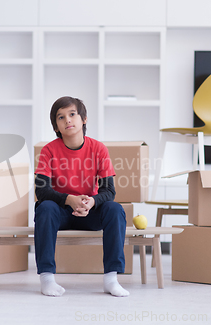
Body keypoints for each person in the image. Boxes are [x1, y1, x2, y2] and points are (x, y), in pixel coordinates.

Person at [34, 96, 129, 297]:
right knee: (44, 207)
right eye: (61, 117)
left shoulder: (98, 149)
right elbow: (41, 191)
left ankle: (111, 279)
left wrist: (92, 201)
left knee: (115, 209)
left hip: (89, 211)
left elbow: (109, 191)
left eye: (72, 114)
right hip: (59, 212)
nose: (67, 120)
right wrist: (69, 199)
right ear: (56, 126)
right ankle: (47, 279)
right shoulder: (48, 150)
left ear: (83, 118)